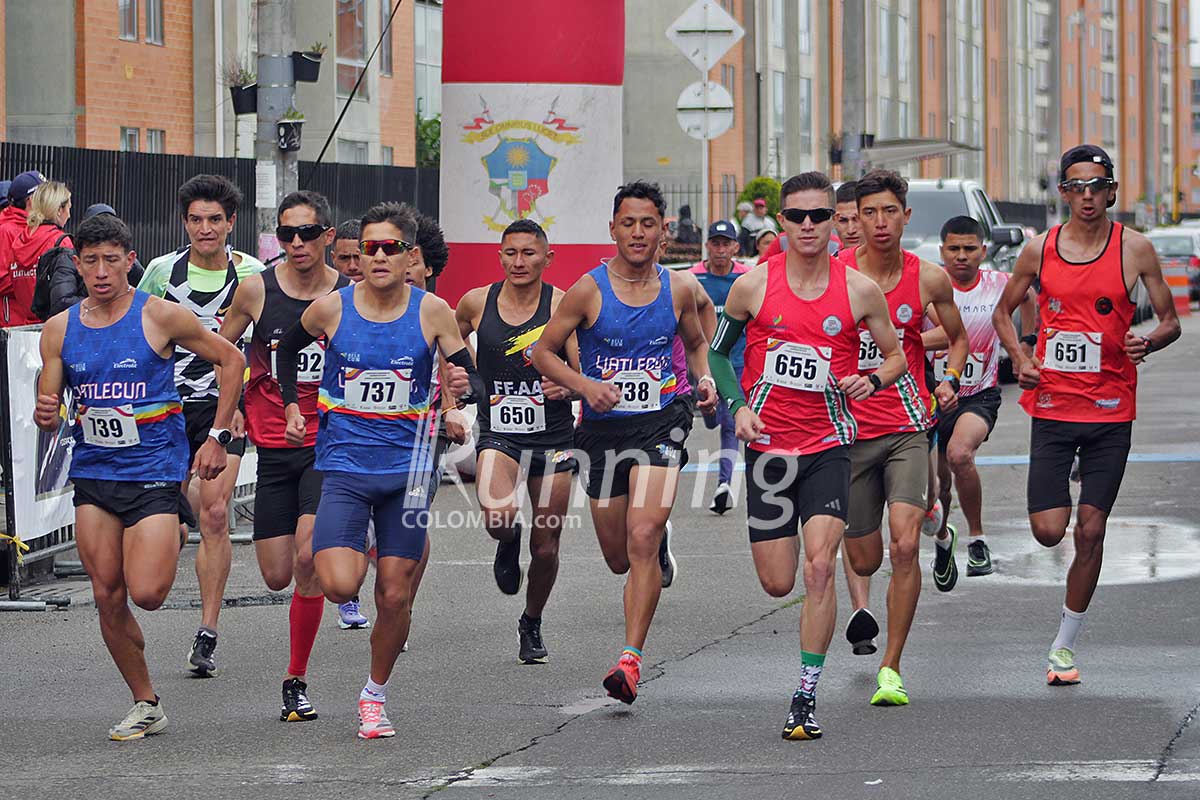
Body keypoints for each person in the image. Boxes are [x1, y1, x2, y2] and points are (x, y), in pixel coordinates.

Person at [709, 171, 907, 741]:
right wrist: (738, 407)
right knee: (778, 582)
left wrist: (871, 379)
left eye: (819, 215)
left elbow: (894, 358)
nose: (809, 226)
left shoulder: (859, 290)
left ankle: (804, 695)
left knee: (821, 567)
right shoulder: (753, 285)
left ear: (833, 220)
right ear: (781, 223)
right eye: (797, 216)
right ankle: (804, 675)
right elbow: (721, 357)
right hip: (769, 449)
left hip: (828, 446)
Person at [35, 213, 244, 740]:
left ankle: (164, 533)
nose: (101, 272)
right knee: (107, 594)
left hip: (153, 472)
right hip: (95, 475)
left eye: (111, 260)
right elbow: (52, 397)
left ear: (130, 261)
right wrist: (47, 409)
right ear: (77, 264)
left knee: (147, 593)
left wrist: (217, 435)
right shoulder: (60, 328)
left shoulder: (160, 316)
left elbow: (231, 358)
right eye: (90, 261)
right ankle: (145, 700)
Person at [274, 201, 476, 739]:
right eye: (370, 247)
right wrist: (295, 404)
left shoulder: (432, 311)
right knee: (341, 585)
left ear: (411, 255)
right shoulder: (331, 308)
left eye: (391, 247)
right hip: (344, 467)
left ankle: (373, 694)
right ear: (357, 256)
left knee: (393, 595)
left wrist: (460, 391)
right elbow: (287, 347)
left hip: (408, 475)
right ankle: (363, 540)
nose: (380, 256)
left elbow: (468, 373)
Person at [992, 144, 1180, 686]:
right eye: (1076, 186)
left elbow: (1170, 321)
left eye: (1097, 185)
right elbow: (1005, 312)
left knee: (1089, 530)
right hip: (1052, 407)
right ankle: (1062, 496)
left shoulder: (1136, 249)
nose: (1087, 196)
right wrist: (1022, 357)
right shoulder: (1038, 250)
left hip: (1111, 410)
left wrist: (1150, 341)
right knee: (1050, 532)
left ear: (1112, 192)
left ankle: (1063, 649)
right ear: (1063, 194)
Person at [532, 180, 717, 705]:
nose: (638, 232)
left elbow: (697, 343)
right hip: (601, 431)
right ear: (612, 228)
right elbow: (543, 354)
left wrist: (703, 381)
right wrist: (584, 384)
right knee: (619, 556)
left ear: (663, 231)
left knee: (641, 533)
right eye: (628, 223)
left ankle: (630, 661)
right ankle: (655, 548)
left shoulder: (678, 288)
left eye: (648, 223)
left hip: (662, 420)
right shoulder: (587, 291)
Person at [839, 169, 968, 707]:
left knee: (906, 544)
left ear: (906, 216)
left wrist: (950, 380)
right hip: (846, 432)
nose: (879, 222)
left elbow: (958, 339)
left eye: (889, 211)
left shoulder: (928, 278)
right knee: (865, 559)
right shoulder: (833, 274)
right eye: (869, 212)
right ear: (857, 219)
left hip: (909, 428)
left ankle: (891, 666)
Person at [219, 190, 348, 719]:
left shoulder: (348, 296)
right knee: (276, 574)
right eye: (286, 234)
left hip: (329, 442)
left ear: (328, 238)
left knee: (306, 558)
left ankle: (295, 679)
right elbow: (223, 354)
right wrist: (230, 413)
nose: (296, 244)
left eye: (306, 234)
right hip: (273, 446)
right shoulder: (255, 291)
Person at [141, 175, 266, 677]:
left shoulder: (254, 275)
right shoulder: (160, 272)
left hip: (226, 407)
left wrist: (243, 398)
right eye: (196, 219)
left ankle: (207, 632)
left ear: (231, 222)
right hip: (166, 410)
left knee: (215, 514)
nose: (205, 228)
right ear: (184, 221)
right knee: (175, 517)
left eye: (215, 219)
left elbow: (263, 344)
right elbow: (138, 329)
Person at [454, 219, 579, 663]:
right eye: (511, 253)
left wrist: (568, 386)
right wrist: (467, 378)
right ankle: (509, 540)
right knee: (496, 517)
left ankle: (532, 619)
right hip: (500, 432)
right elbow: (446, 344)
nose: (519, 262)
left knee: (546, 547)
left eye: (529, 253)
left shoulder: (564, 305)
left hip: (555, 437)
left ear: (548, 258)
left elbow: (586, 374)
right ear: (500, 255)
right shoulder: (475, 302)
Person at [924, 216, 1035, 583]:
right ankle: (943, 541)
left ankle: (977, 539)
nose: (962, 256)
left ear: (983, 251)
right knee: (937, 485)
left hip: (979, 395)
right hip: (933, 396)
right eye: (954, 249)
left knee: (960, 454)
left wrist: (1026, 344)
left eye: (970, 249)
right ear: (942, 251)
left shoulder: (998, 284)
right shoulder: (929, 287)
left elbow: (1030, 296)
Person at [690, 220, 750, 513]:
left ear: (735, 247)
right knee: (711, 417)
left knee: (730, 423)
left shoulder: (745, 279)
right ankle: (708, 412)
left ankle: (723, 484)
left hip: (734, 362)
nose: (721, 249)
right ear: (708, 246)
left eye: (726, 243)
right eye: (715, 243)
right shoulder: (693, 278)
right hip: (701, 362)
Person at [11, 181, 72, 325]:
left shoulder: (19, 240)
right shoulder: (61, 242)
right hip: (53, 326)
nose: (69, 215)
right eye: (69, 208)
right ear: (59, 210)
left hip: (24, 324)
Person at [0, 170, 46, 325]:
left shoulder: (33, 226)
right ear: (31, 200)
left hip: (29, 318)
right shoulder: (6, 230)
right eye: (43, 195)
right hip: (12, 321)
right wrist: (31, 279)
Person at [832, 181, 864, 253]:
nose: (851, 230)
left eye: (857, 219)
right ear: (833, 221)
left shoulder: (892, 262)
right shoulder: (828, 263)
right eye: (843, 220)